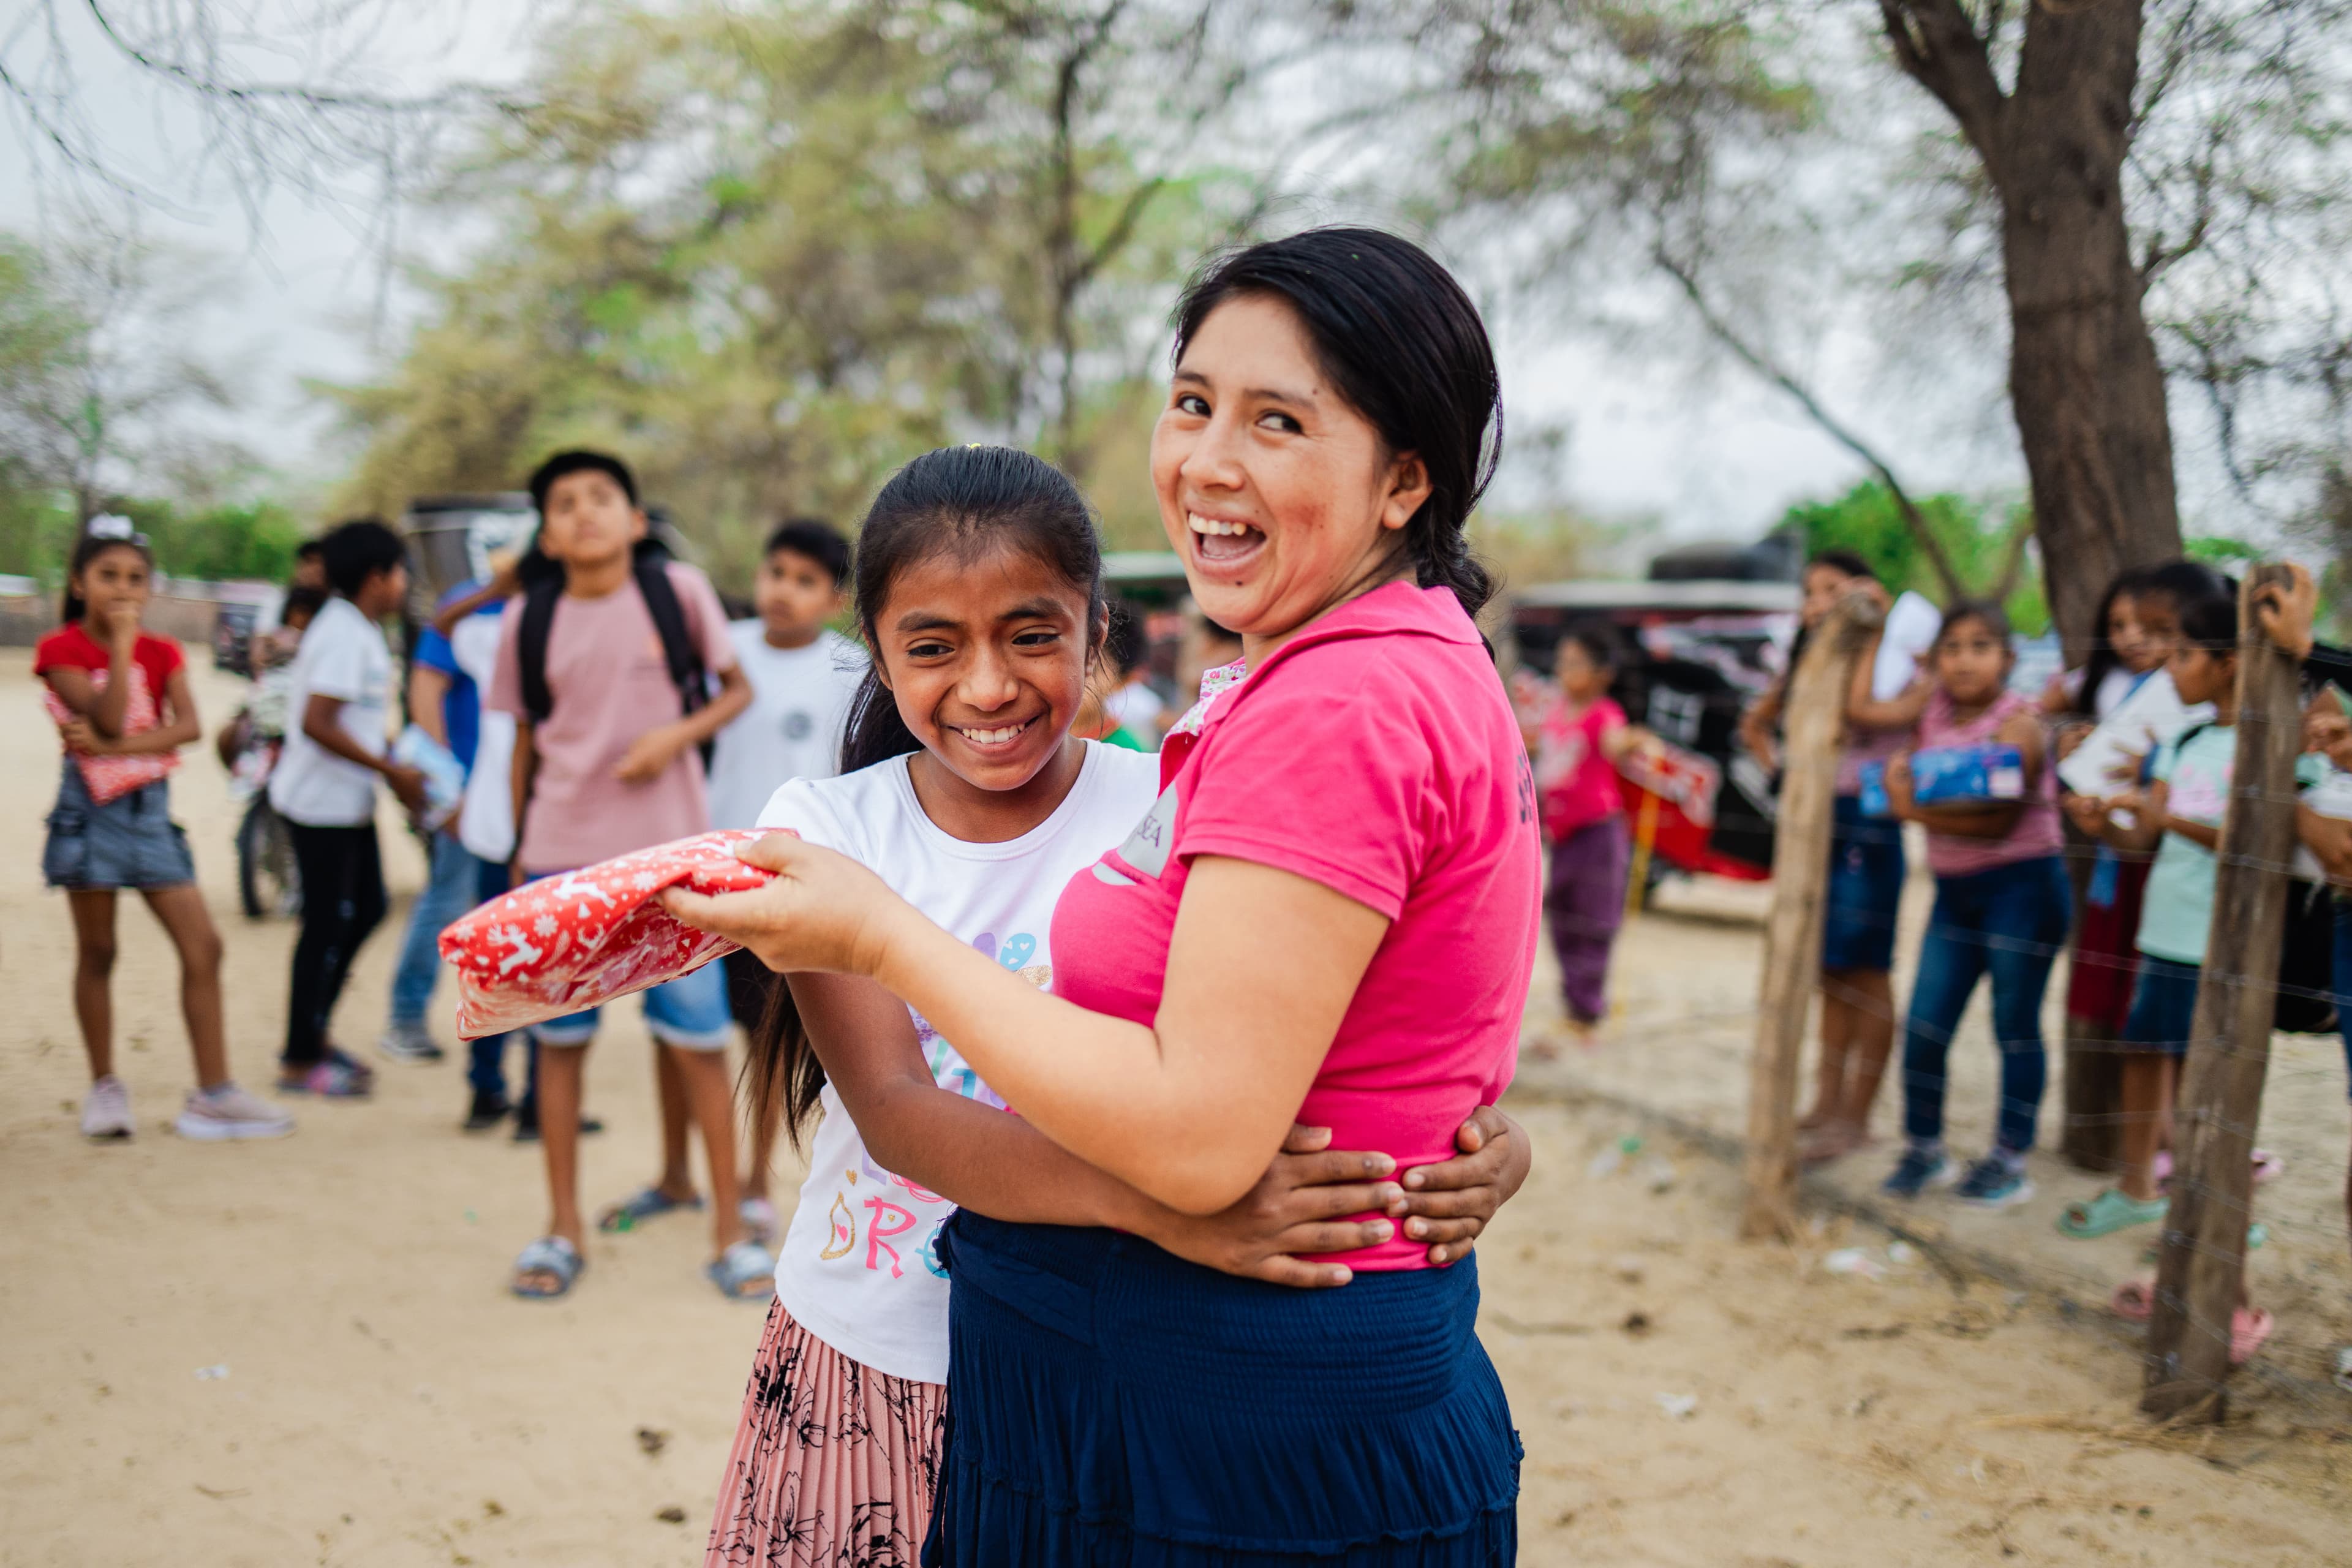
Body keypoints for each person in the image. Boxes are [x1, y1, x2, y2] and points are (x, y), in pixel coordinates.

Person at [669, 228, 1536, 1565]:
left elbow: (1200, 1137)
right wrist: (1433, 1131)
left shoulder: (1338, 702)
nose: (1210, 460)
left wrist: (886, 934)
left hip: (1231, 1435)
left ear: (1402, 478)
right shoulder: (1363, 671)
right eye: (1193, 403)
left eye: (1279, 420)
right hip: (1046, 1373)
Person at [486, 449, 758, 1301]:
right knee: (558, 1052)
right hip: (562, 858)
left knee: (699, 1045)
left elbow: (735, 689)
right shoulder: (526, 620)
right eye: (564, 503)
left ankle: (729, 1233)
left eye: (602, 497)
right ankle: (561, 1231)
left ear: (635, 520)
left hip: (671, 859)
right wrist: (522, 861)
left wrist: (673, 739)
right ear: (547, 531)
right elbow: (526, 743)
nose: (584, 513)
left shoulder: (676, 594)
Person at [38, 518, 293, 1142]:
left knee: (203, 944)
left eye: (136, 578)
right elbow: (102, 713)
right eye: (108, 576)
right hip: (90, 814)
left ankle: (213, 1092)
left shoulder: (166, 652)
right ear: (79, 582)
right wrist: (121, 651)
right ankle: (105, 1087)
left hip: (150, 814)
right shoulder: (61, 651)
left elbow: (184, 728)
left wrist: (114, 742)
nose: (124, 589)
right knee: (99, 951)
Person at [2058, 588, 2244, 1237]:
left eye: (2186, 653)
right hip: (2163, 930)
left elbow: (2259, 844)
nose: (2171, 669)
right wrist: (2104, 819)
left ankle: (2217, 1204)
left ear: (2231, 662)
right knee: (2144, 1052)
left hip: (2219, 939)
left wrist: (2170, 819)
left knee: (2208, 1071)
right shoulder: (2183, 740)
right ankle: (2140, 1186)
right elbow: (2146, 839)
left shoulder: (2266, 749)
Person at [1878, 601, 2070, 1207]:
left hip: (2023, 888)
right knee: (1926, 1023)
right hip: (1953, 895)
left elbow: (1996, 818)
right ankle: (1924, 1148)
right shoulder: (1930, 714)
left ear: (2009, 659)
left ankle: (2010, 1157)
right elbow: (1881, 725)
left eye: (1980, 646)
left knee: (2014, 1025)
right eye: (1952, 648)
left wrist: (1911, 807)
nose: (1964, 660)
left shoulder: (2022, 724)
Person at [705, 515, 864, 1241]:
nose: (783, 592)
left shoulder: (850, 669)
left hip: (791, 886)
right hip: (707, 876)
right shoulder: (721, 654)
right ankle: (685, 1173)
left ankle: (754, 1182)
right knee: (697, 1035)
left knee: (771, 1043)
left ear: (833, 598)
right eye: (776, 574)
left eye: (805, 582)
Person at [1741, 551, 1906, 1164]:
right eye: (1810, 592)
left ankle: (1857, 1114)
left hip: (1870, 825)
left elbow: (1863, 711)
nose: (1819, 602)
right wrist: (1783, 776)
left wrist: (1870, 630)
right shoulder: (1807, 665)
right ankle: (1828, 1102)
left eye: (1833, 589)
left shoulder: (1890, 666)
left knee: (1867, 971)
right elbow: (1753, 723)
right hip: (1818, 824)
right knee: (1830, 969)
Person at [270, 519, 429, 1098]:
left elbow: (355, 720)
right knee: (326, 924)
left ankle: (314, 1032)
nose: (405, 585)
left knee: (364, 909)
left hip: (347, 804)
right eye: (400, 572)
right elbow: (318, 723)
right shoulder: (343, 632)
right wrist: (391, 772)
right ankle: (298, 1054)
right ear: (376, 577)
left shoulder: (356, 628)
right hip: (319, 807)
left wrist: (395, 763)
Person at [377, 579, 510, 1066]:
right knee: (448, 900)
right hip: (472, 798)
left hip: (520, 801)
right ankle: (406, 1019)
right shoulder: (468, 606)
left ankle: (507, 1040)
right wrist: (450, 791)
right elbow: (425, 692)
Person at [1526, 617, 1656, 1049]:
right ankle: (1573, 1005)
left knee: (1593, 920)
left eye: (1576, 663)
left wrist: (1635, 742)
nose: (1565, 671)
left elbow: (1615, 744)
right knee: (1561, 918)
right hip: (1561, 836)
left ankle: (1587, 1012)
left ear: (1602, 674)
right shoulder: (1557, 711)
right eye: (1562, 662)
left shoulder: (1605, 715)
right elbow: (1542, 748)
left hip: (1595, 835)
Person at [1073, 605, 1155, 751]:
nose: (1071, 679)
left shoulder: (1130, 755)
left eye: (1092, 669)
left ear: (1124, 680)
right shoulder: (1034, 743)